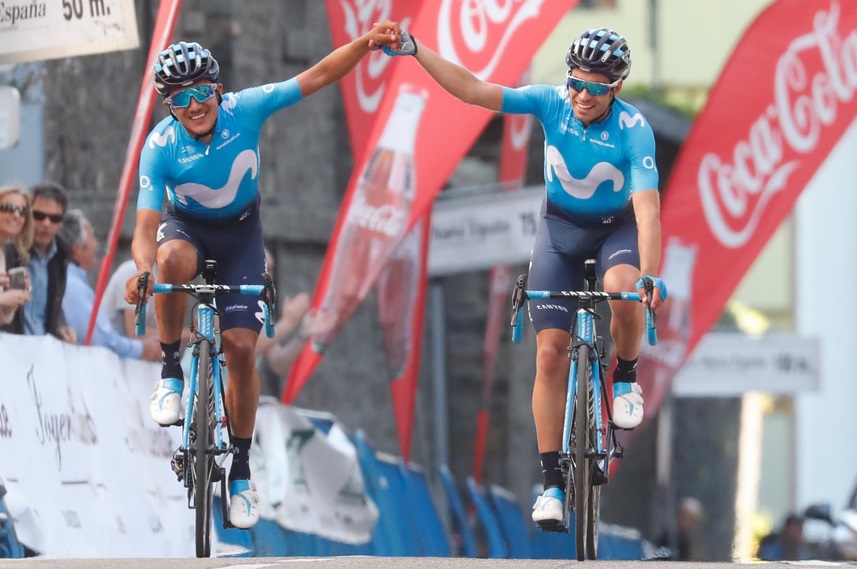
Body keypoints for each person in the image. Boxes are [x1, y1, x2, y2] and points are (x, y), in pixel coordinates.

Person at [382, 27, 667, 527]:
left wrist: (651, 275)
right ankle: (552, 484)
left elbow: (646, 211)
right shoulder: (550, 103)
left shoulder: (633, 129)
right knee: (549, 352)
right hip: (558, 231)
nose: (583, 95)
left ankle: (624, 375)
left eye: (596, 87)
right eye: (576, 82)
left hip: (614, 231)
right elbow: (474, 90)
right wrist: (413, 49)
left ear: (616, 88)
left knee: (625, 288)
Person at [124, 26, 400, 529]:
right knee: (170, 263)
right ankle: (170, 372)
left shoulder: (246, 109)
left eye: (202, 92)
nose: (195, 105)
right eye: (181, 98)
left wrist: (362, 46)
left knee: (243, 350)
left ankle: (242, 475)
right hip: (186, 229)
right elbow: (144, 230)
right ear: (169, 106)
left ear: (219, 89)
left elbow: (316, 76)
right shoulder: (159, 145)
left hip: (241, 236)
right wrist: (143, 271)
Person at [59, 210, 160, 361]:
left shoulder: (76, 282)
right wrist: (142, 349)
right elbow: (99, 338)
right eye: (92, 237)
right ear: (78, 248)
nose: (97, 244)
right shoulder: (72, 284)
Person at [1, 182, 76, 342]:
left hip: (41, 353)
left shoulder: (61, 255)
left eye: (55, 218)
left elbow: (51, 304)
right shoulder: (8, 250)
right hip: (10, 349)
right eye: (39, 215)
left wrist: (60, 325)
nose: (46, 224)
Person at [254, 247, 311, 398]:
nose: (267, 275)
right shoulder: (221, 301)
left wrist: (303, 335)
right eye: (261, 267)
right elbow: (246, 349)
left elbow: (278, 363)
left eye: (270, 269)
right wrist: (288, 322)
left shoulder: (262, 311)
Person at [0, 186, 33, 325]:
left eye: (22, 211)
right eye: (8, 208)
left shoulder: (3, 254)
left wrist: (13, 299)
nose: (16, 215)